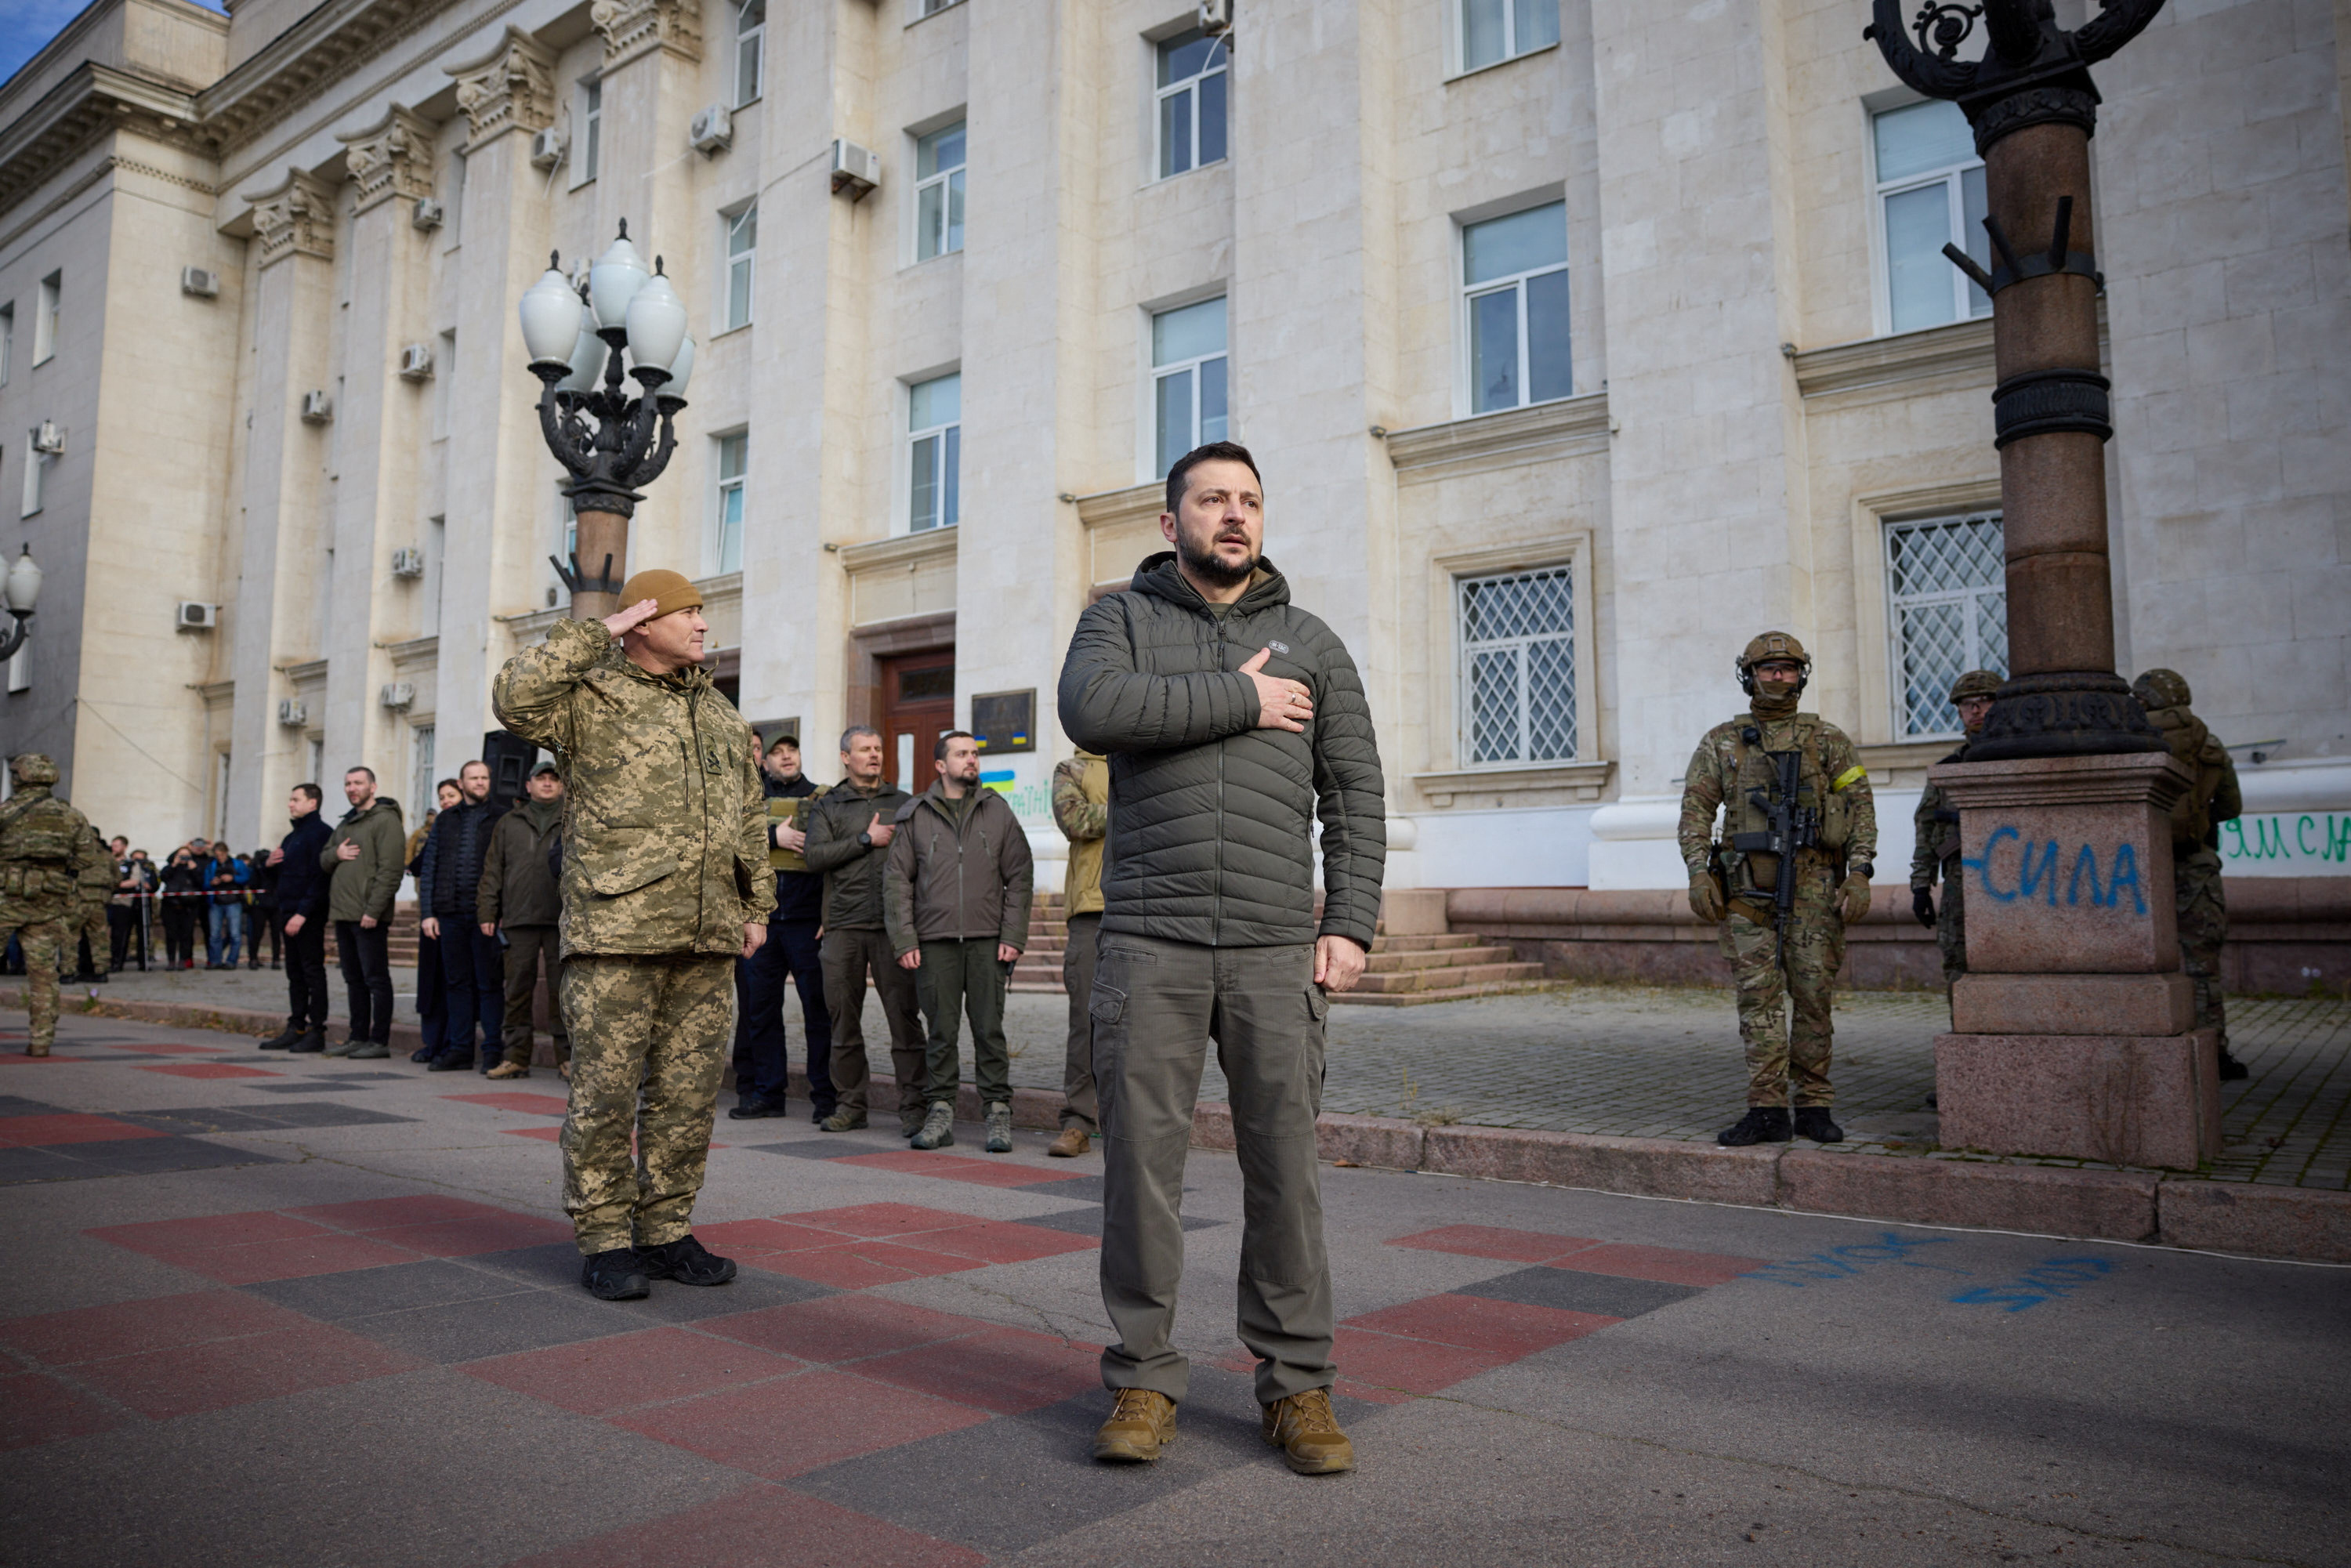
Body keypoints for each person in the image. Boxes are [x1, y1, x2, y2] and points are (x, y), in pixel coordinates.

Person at [1058, 440, 1386, 1476]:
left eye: (1249, 500)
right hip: (1147, 940)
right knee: (1141, 1174)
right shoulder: (1118, 619)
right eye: (1212, 500)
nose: (1234, 516)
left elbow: (1357, 790)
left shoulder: (1313, 643)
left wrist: (1353, 922)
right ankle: (1144, 1379)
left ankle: (1297, 1386)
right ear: (1171, 522)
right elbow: (1092, 713)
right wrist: (1239, 699)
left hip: (1274, 941)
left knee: (1284, 1169)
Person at [493, 567, 773, 1303]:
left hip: (707, 934)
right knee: (605, 1096)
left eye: (704, 613)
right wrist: (595, 634)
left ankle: (665, 1229)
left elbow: (749, 812)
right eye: (689, 612)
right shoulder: (590, 697)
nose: (704, 625)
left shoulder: (717, 711)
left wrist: (756, 906)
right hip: (616, 931)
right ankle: (606, 1238)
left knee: (687, 1097)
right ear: (644, 623)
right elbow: (514, 696)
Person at [1679, 631, 1878, 1149]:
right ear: (1750, 675)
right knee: (1758, 998)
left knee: (1813, 997)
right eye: (1768, 669)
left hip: (1816, 890)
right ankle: (1767, 1107)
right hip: (1746, 892)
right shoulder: (1722, 742)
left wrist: (1859, 872)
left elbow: (1859, 808)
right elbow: (1697, 811)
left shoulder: (1828, 740)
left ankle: (1814, 1104)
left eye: (1788, 669)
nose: (1778, 677)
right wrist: (1699, 871)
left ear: (1801, 675)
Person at [886, 731, 1035, 1153]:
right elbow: (896, 882)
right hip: (934, 942)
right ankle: (940, 1113)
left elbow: (1020, 875)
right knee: (941, 1033)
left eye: (974, 754)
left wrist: (1013, 935)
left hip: (989, 941)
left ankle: (998, 1113)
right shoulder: (916, 814)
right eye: (961, 754)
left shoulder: (998, 811)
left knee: (990, 1030)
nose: (971, 760)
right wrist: (905, 938)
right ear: (940, 765)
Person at [803, 727, 926, 1135]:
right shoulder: (829, 805)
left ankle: (914, 1108)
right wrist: (864, 839)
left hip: (893, 929)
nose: (873, 755)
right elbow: (814, 857)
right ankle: (851, 1105)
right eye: (864, 750)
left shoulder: (904, 803)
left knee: (905, 1021)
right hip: (843, 926)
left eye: (877, 748)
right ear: (845, 757)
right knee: (843, 1023)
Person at [2134, 668, 2248, 1081]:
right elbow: (2232, 807)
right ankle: (2214, 1054)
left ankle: (2153, 1049)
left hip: (2142, 870)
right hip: (2196, 868)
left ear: (2143, 700)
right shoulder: (2207, 742)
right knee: (2202, 966)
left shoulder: (2135, 741)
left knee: (2142, 965)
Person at [730, 734, 832, 1121]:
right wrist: (776, 836)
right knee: (761, 1012)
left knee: (818, 1013)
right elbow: (733, 844)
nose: (786, 757)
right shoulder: (748, 801)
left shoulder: (823, 798)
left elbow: (832, 857)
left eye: (792, 750)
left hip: (808, 924)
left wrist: (828, 913)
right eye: (776, 752)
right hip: (764, 922)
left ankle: (825, 1097)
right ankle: (768, 1094)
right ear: (765, 762)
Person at [0, 754, 100, 1057]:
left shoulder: (6, 812)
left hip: (5, 898)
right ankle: (41, 1041)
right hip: (48, 901)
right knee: (44, 974)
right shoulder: (71, 816)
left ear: (20, 778)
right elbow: (87, 858)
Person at [1910, 670, 2000, 997]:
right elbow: (1926, 829)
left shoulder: (2019, 761)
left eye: (1985, 702)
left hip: (2013, 883)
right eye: (1967, 705)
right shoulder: (1947, 770)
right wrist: (1921, 887)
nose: (1976, 711)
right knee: (1958, 964)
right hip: (1960, 884)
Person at [479, 761, 569, 1081]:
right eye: (540, 778)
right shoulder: (509, 821)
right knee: (517, 991)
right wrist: (487, 911)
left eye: (553, 779)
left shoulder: (572, 817)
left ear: (561, 785)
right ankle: (516, 1057)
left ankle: (568, 1059)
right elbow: (493, 870)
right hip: (518, 918)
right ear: (528, 785)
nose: (547, 783)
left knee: (564, 992)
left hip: (562, 919)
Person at [420, 759, 509, 1074]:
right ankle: (459, 1049)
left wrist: (499, 912)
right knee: (456, 983)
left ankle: (492, 1051)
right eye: (474, 778)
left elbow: (505, 868)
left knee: (489, 984)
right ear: (461, 783)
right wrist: (428, 912)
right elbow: (430, 866)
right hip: (449, 914)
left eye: (485, 777)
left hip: (485, 916)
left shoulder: (502, 816)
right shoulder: (445, 819)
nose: (480, 782)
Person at [1049, 748, 1110, 1157]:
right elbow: (1075, 820)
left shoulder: (1150, 756)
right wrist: (1136, 807)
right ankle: (1077, 1123)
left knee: (1153, 1025)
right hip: (1091, 911)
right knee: (1085, 1024)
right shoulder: (1073, 768)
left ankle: (1143, 1124)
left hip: (1149, 907)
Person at [321, 766, 404, 1059]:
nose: (352, 788)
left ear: (373, 786)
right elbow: (324, 858)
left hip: (368, 916)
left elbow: (391, 870)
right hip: (344, 913)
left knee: (376, 979)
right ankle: (357, 1036)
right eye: (347, 783)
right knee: (353, 979)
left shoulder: (386, 820)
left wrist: (374, 910)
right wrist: (336, 855)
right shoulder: (345, 824)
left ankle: (379, 1040)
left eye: (358, 783)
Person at [260, 784, 335, 1053]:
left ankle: (317, 1030)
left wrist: (303, 913)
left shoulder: (321, 834)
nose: (290, 804)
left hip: (308, 915)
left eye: (296, 799)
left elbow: (320, 878)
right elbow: (281, 877)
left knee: (312, 970)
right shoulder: (293, 837)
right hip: (287, 911)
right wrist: (268, 866)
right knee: (294, 973)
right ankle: (297, 1026)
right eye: (290, 799)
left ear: (312, 803)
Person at [408, 782, 458, 1063]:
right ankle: (431, 1042)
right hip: (433, 916)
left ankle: (451, 1042)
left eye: (451, 796)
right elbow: (419, 866)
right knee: (430, 984)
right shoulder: (437, 829)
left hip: (456, 916)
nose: (446, 801)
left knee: (453, 983)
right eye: (442, 797)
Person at [71, 824, 113, 983]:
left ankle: (69, 972)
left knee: (71, 937)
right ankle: (101, 971)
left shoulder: (75, 854)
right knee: (99, 937)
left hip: (77, 901)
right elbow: (116, 878)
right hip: (98, 901)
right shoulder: (107, 856)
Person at [204, 842, 248, 969]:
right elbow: (205, 884)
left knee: (235, 934)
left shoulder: (237, 864)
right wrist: (212, 882)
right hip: (216, 902)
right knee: (214, 934)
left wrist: (233, 878)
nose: (220, 858)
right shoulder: (211, 866)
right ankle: (215, 960)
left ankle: (231, 961)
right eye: (217, 855)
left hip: (234, 902)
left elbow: (246, 877)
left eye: (222, 855)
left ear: (227, 852)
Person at [159, 847, 203, 969]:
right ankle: (171, 960)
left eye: (186, 856)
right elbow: (163, 877)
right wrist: (174, 865)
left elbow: (201, 882)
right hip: (170, 905)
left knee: (186, 934)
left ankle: (183, 960)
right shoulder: (170, 867)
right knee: (171, 934)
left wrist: (193, 869)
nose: (184, 858)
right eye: (181, 855)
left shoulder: (194, 868)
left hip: (189, 906)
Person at [111, 848, 154, 972]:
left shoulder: (151, 868)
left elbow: (156, 882)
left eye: (141, 859)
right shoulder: (127, 866)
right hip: (127, 903)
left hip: (144, 904)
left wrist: (150, 886)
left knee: (143, 934)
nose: (139, 862)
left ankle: (144, 962)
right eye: (136, 859)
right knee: (122, 934)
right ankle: (118, 962)